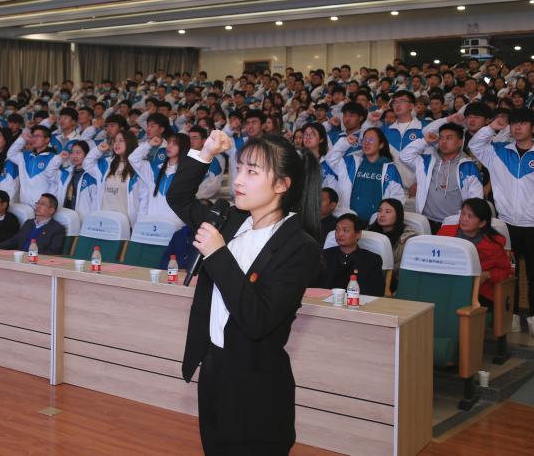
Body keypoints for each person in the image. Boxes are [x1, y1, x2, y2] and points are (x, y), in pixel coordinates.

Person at [166, 128, 321, 454]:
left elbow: (257, 319)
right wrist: (206, 153)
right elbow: (177, 197)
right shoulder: (229, 219)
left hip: (256, 385)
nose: (238, 180)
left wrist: (217, 254)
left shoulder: (299, 246)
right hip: (215, 369)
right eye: (239, 168)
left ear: (281, 185)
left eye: (252, 171)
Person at [469, 108, 534, 341]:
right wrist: (492, 127)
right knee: (510, 273)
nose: (517, 127)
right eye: (514, 123)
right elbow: (474, 145)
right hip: (506, 225)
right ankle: (514, 316)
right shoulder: (499, 151)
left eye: (523, 123)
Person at [399, 118, 484, 233]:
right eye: (441, 138)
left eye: (449, 138)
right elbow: (404, 156)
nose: (443, 142)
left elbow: (476, 200)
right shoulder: (427, 161)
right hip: (426, 220)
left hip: (454, 223)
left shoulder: (468, 166)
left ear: (460, 142)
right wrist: (424, 141)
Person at [437, 198, 512, 308]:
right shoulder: (445, 232)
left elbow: (505, 270)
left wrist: (487, 275)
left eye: (470, 216)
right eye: (463, 214)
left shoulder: (493, 245)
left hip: (478, 292)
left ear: (482, 223)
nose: (464, 219)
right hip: (445, 285)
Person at [324, 127, 404, 222]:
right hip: (349, 221)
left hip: (376, 223)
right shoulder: (352, 162)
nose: (366, 143)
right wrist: (345, 142)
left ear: (381, 145)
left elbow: (397, 199)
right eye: (364, 140)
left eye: (371, 140)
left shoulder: (390, 169)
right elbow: (331, 158)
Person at [81, 131, 147, 225]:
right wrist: (98, 150)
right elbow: (87, 164)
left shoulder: (139, 167)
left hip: (126, 224)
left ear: (130, 143)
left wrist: (139, 223)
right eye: (115, 141)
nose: (116, 143)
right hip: (103, 220)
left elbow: (143, 198)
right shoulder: (106, 163)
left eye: (121, 140)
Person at [315, 213, 385, 296]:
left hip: (358, 302)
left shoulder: (372, 260)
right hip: (325, 301)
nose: (340, 234)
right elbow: (314, 285)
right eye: (337, 230)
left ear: (358, 234)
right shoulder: (324, 255)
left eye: (346, 230)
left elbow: (377, 291)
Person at [130, 131, 190, 222]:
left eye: (174, 144)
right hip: (153, 223)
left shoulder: (187, 173)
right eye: (169, 143)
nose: (169, 146)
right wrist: (149, 144)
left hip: (176, 224)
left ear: (183, 147)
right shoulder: (154, 168)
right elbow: (133, 158)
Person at [0, 192, 66, 254]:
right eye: (37, 203)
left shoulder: (57, 229)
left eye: (42, 204)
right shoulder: (29, 223)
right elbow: (16, 240)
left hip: (36, 261)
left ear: (51, 210)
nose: (38, 206)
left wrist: (30, 256)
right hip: (19, 257)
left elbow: (53, 252)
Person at [368, 198, 419, 272]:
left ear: (398, 215)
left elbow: (404, 265)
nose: (382, 215)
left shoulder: (407, 238)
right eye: (380, 211)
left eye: (387, 212)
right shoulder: (370, 231)